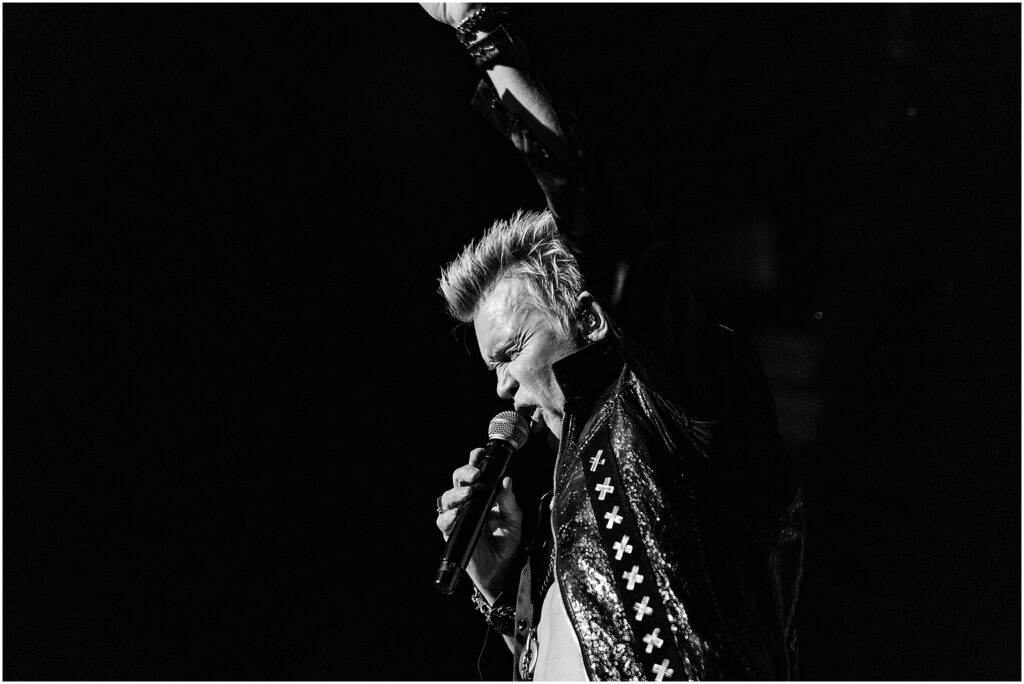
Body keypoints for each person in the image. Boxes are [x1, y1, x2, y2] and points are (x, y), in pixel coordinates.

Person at [426, 4, 804, 680]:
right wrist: (506, 588)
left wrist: (480, 28)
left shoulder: (671, 411)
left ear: (592, 317)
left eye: (511, 352)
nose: (501, 387)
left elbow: (607, 230)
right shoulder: (553, 523)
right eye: (491, 367)